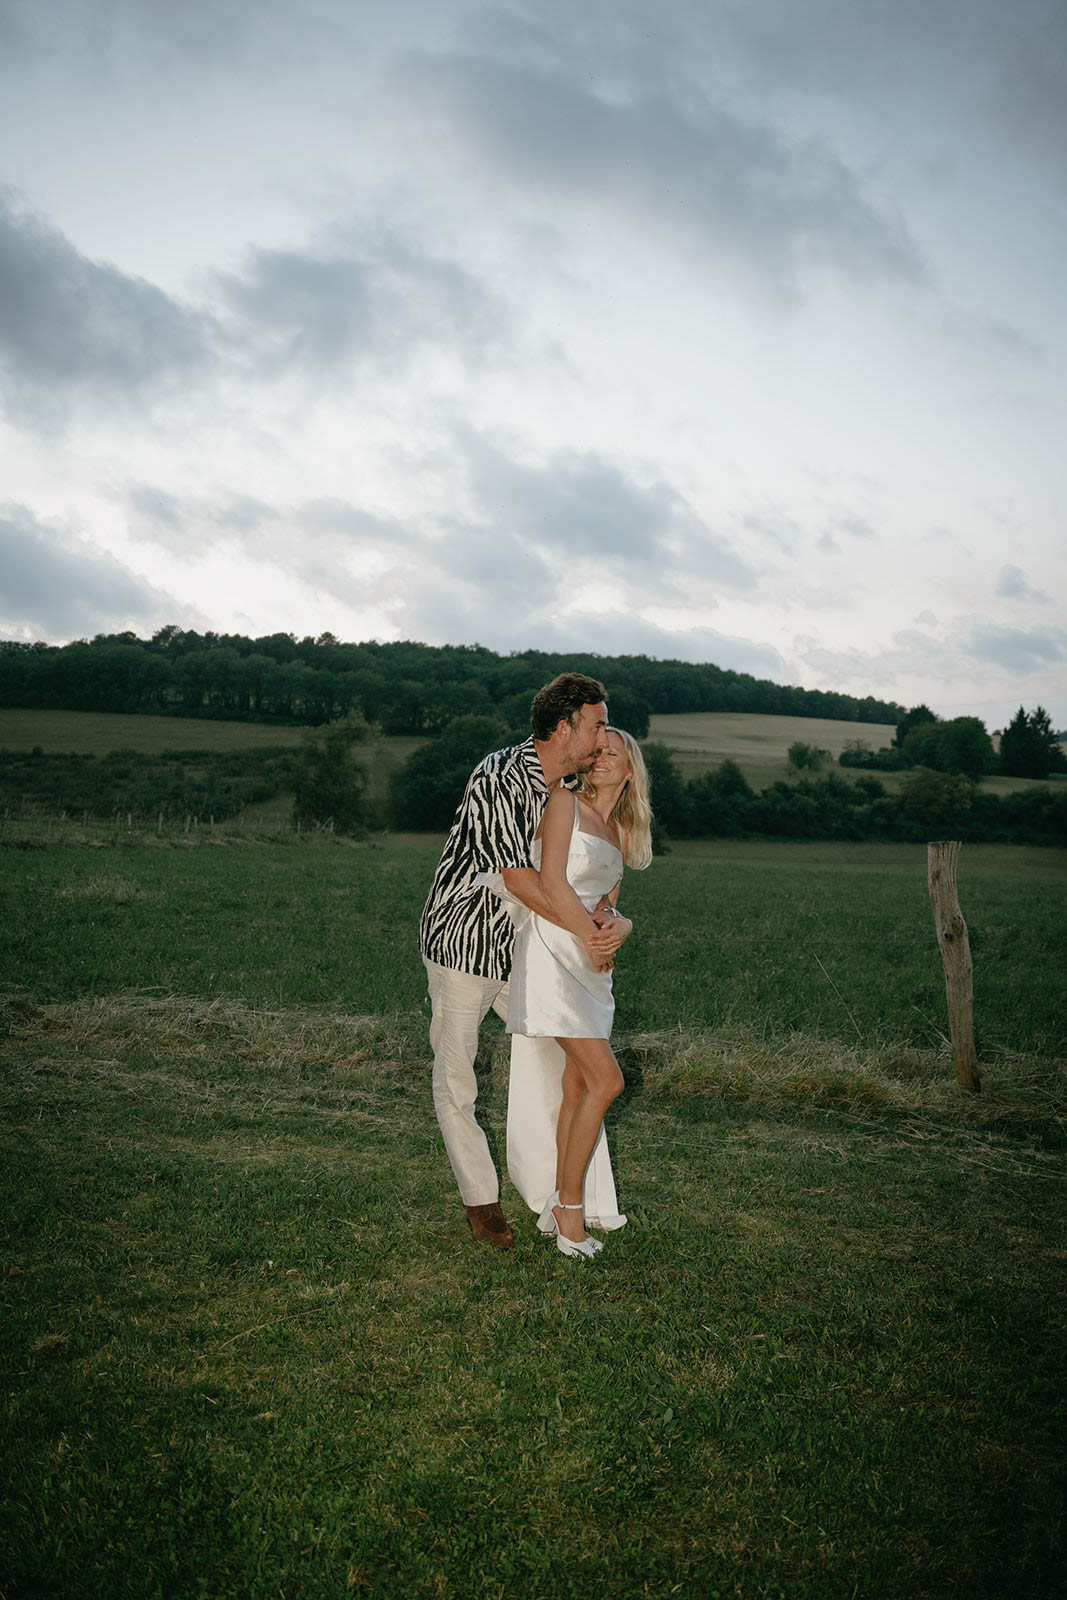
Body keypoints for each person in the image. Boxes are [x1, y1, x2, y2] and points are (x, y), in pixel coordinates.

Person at [419, 673, 629, 1248]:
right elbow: (520, 878)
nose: (602, 736)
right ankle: (480, 1200)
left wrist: (611, 922)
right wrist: (590, 935)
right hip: (465, 943)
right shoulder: (502, 776)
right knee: (458, 1076)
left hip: (530, 952)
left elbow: (588, 877)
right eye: (596, 724)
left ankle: (561, 1196)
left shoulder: (567, 790)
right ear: (565, 728)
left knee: (563, 1070)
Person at [483, 728, 652, 1259]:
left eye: (613, 754)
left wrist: (619, 929)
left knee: (580, 1086)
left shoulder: (620, 832)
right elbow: (551, 882)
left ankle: (564, 1198)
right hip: (554, 949)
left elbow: (608, 906)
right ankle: (571, 1217)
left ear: (630, 770)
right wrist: (590, 934)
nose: (601, 758)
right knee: (608, 1079)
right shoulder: (564, 803)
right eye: (596, 750)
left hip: (593, 963)